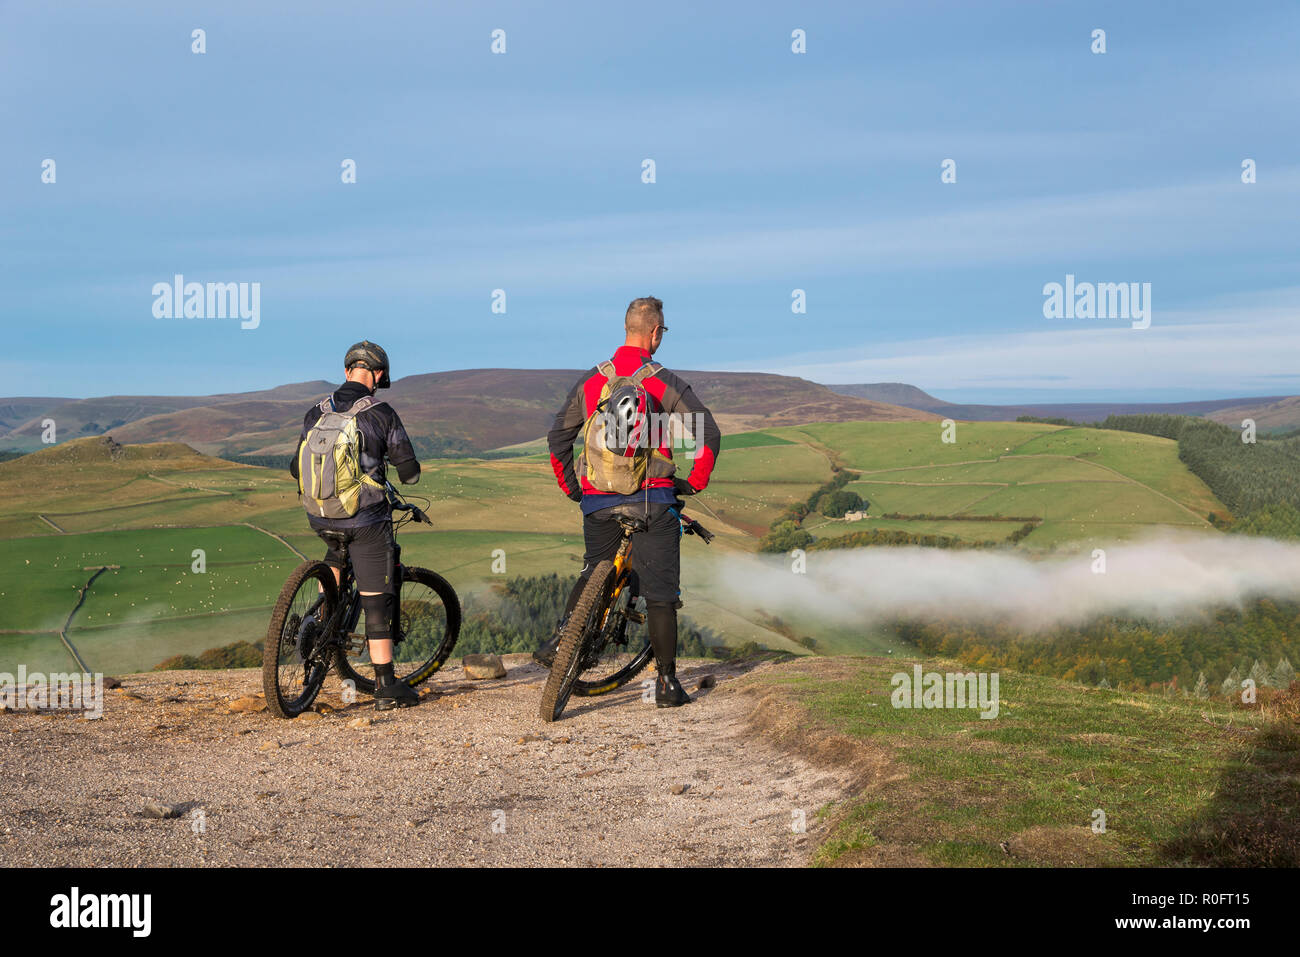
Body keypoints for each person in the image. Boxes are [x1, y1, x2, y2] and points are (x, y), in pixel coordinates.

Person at [542, 297, 721, 707]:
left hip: (597, 501)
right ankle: (667, 685)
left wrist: (575, 489)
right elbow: (708, 434)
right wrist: (691, 484)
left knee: (592, 571)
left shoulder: (593, 380)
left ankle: (563, 639)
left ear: (627, 329)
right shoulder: (661, 380)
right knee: (661, 595)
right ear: (655, 333)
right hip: (652, 500)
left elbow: (557, 440)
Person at [289, 341, 423, 711]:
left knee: (335, 550)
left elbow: (293, 466)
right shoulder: (381, 413)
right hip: (365, 520)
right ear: (378, 375)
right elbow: (409, 473)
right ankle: (385, 687)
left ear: (348, 370)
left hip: (319, 515)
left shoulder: (315, 411)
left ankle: (319, 619)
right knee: (375, 599)